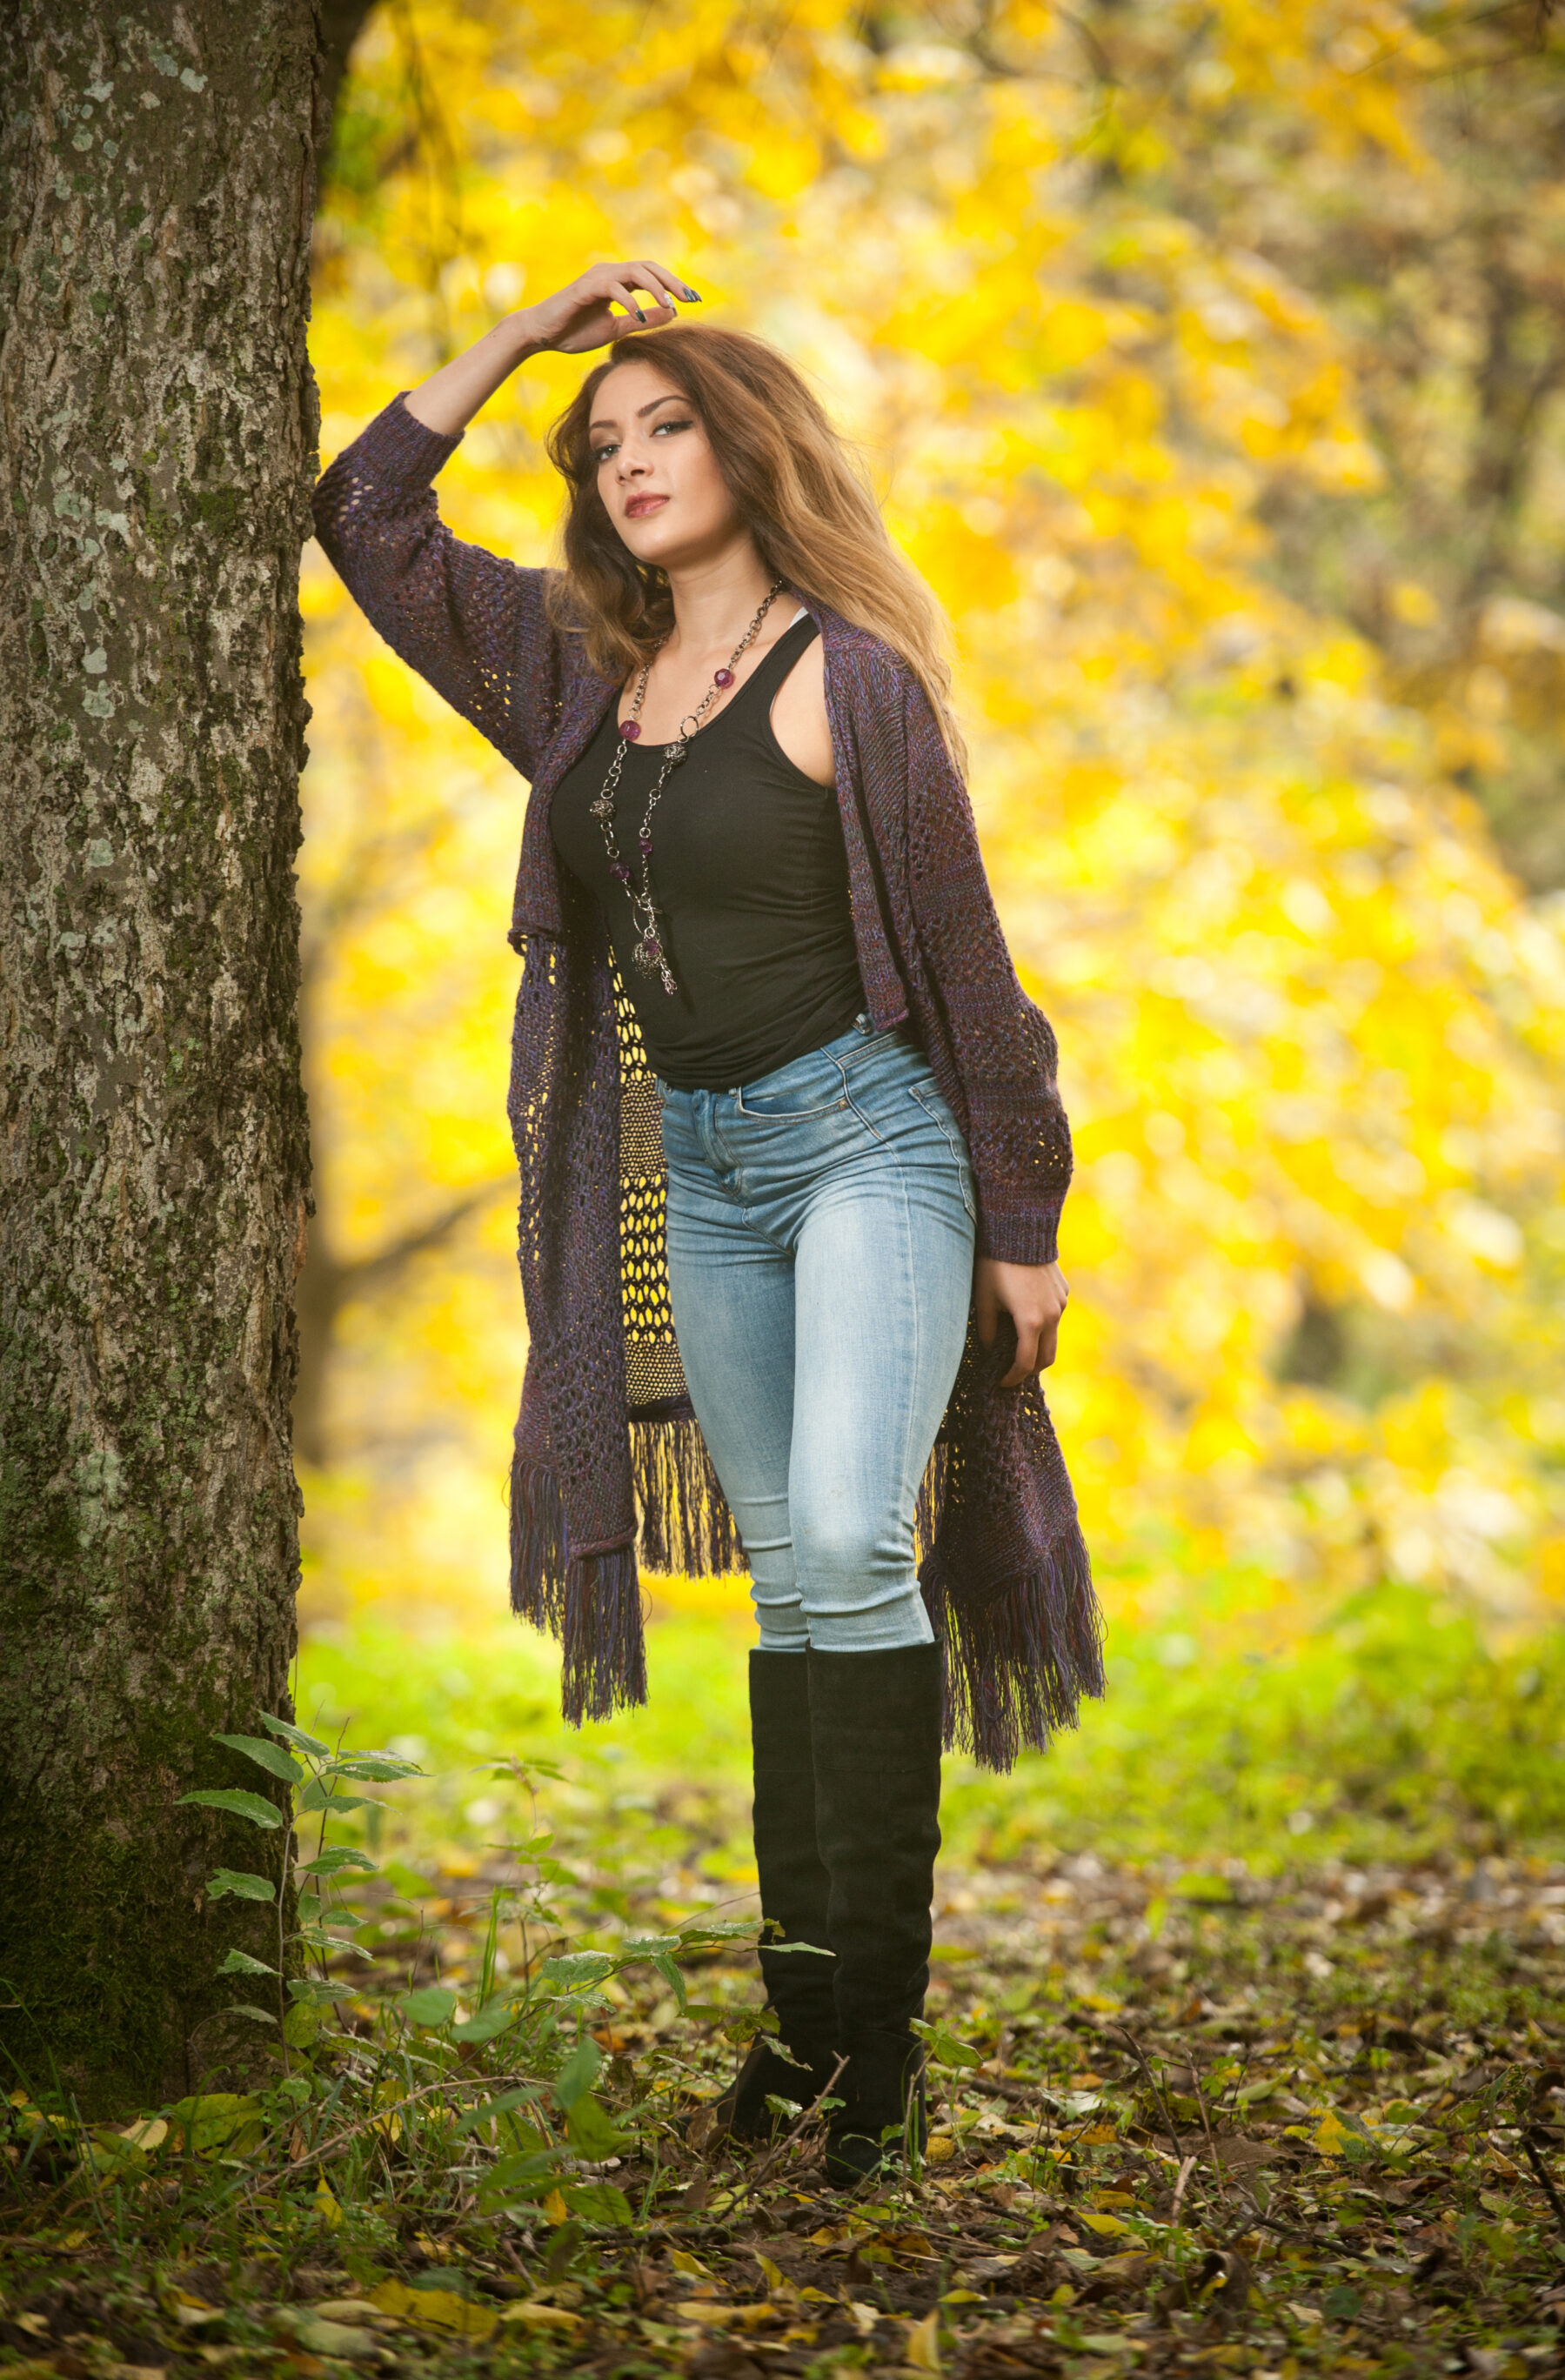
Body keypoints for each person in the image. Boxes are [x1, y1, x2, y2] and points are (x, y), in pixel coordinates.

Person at [312, 261, 1101, 2188]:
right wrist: (523, 339)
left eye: (669, 424)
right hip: (707, 1182)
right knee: (795, 1571)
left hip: (873, 1151)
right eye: (608, 441)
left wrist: (1023, 1215)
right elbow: (366, 516)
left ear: (752, 448)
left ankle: (884, 2055)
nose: (634, 457)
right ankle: (806, 2032)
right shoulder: (579, 675)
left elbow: (975, 975)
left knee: (849, 1533)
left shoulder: (856, 681)